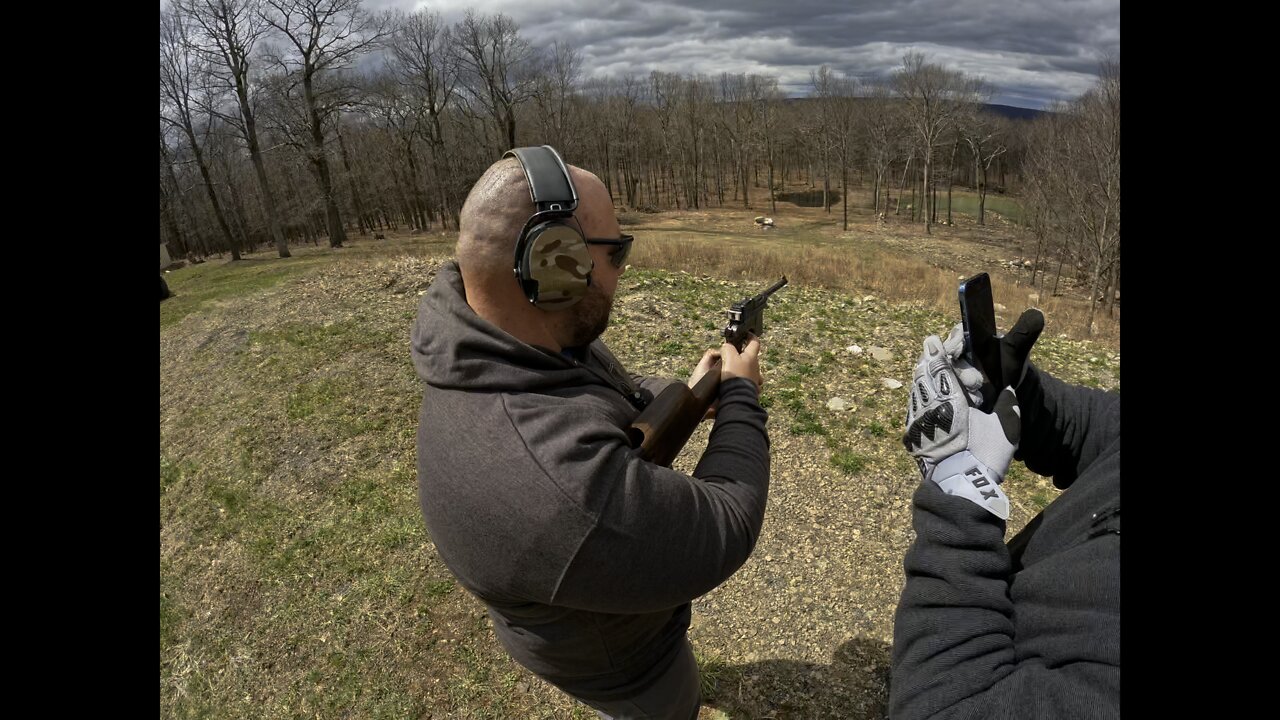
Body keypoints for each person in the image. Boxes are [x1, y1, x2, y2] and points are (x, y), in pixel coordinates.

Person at [411, 146, 771, 719]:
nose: (625, 267)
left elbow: (590, 403)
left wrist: (685, 393)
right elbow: (727, 521)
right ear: (555, 266)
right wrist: (742, 398)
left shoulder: (496, 340)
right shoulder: (561, 485)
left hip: (572, 615)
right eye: (617, 250)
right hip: (627, 668)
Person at [892, 309, 1120, 719]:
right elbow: (1097, 428)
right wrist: (1010, 386)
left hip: (976, 666)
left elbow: (949, 708)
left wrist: (962, 487)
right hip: (988, 619)